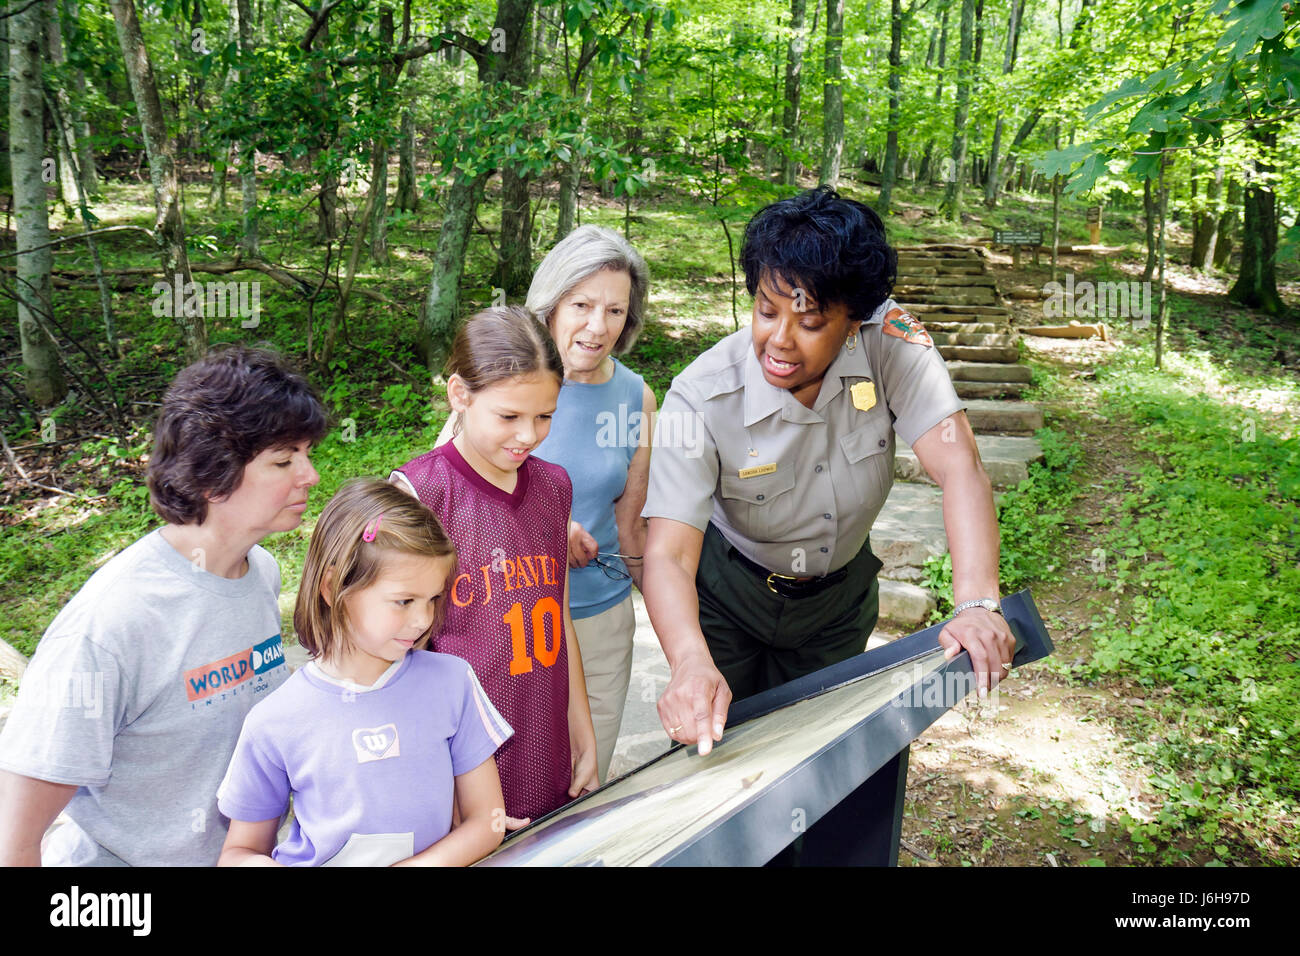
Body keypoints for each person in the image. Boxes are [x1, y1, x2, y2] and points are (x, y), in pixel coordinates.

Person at [641, 186, 1016, 756]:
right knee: (712, 766)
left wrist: (975, 604)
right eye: (766, 311)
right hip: (724, 600)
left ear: (855, 321)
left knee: (816, 769)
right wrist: (690, 662)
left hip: (834, 611)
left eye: (810, 321)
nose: (779, 339)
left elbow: (960, 466)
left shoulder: (891, 344)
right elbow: (668, 552)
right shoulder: (700, 396)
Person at [0, 346, 327, 866]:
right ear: (211, 472)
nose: (308, 474)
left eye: (307, 453)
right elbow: (15, 836)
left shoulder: (259, 571)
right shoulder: (112, 625)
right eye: (284, 460)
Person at [216, 479, 509, 866]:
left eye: (433, 598)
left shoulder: (452, 682)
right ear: (332, 585)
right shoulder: (273, 720)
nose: (422, 619)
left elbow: (487, 822)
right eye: (403, 601)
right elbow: (240, 851)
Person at [391, 307, 599, 826]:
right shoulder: (421, 493)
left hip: (543, 734)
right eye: (509, 416)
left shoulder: (554, 487)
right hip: (458, 753)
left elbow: (560, 616)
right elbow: (393, 651)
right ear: (460, 395)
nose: (528, 435)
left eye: (545, 415)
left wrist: (582, 728)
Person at [526, 226, 655, 783]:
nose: (597, 326)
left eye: (615, 310)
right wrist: (546, 525)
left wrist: (687, 632)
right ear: (552, 304)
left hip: (602, 618)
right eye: (581, 304)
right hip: (514, 619)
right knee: (517, 784)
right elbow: (444, 498)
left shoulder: (636, 398)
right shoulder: (505, 380)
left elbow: (633, 529)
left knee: (586, 779)